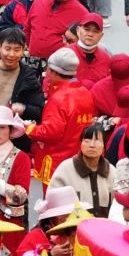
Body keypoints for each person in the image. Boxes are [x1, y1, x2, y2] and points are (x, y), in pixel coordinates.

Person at [27, 46, 97, 185]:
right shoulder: (84, 92)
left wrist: (29, 128)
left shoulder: (58, 98)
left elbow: (51, 132)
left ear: (53, 71)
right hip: (80, 159)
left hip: (57, 164)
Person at [48, 122, 115, 217]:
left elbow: (118, 208)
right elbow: (53, 203)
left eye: (97, 140)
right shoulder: (65, 169)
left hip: (105, 229)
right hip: (73, 229)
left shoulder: (111, 171)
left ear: (104, 146)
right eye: (87, 140)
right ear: (80, 144)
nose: (92, 145)